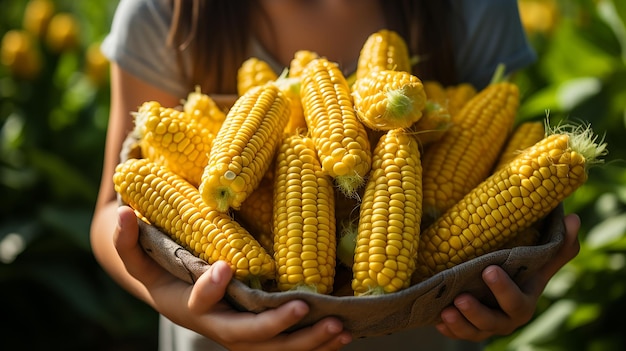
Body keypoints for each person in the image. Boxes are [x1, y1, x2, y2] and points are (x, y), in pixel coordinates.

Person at [90, 0, 582, 350]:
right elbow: (113, 206)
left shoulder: (474, 9)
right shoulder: (165, 13)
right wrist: (173, 297)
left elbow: (494, 161)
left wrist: (517, 281)